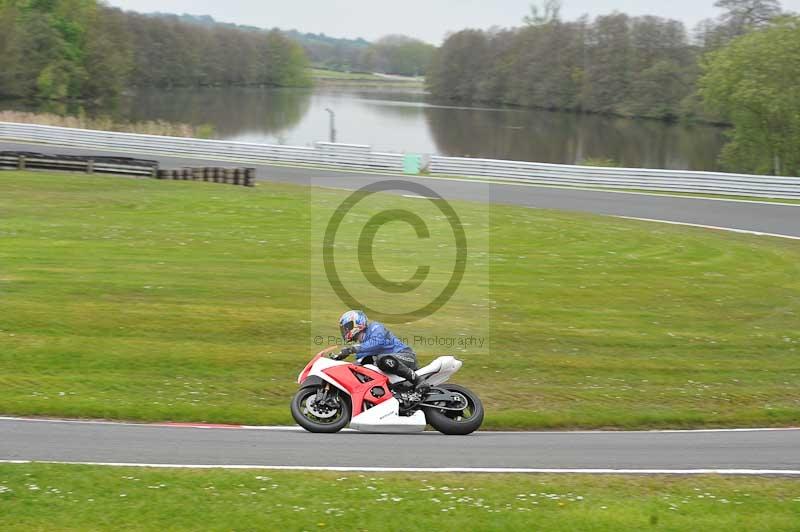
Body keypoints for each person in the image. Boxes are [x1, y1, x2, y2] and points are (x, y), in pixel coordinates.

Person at [333, 310, 426, 390]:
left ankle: (419, 381)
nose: (345, 331)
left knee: (382, 359)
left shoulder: (375, 327)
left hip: (406, 356)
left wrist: (350, 350)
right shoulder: (362, 347)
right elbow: (360, 364)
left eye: (347, 327)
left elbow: (377, 342)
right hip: (390, 364)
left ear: (358, 322)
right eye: (344, 329)